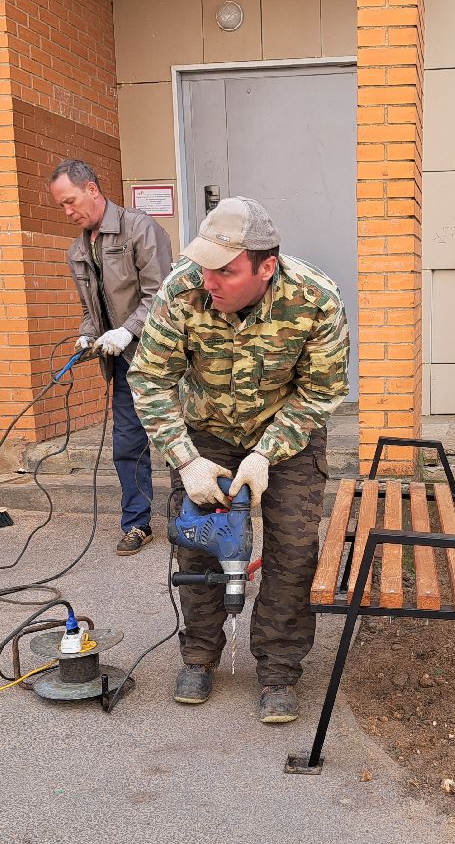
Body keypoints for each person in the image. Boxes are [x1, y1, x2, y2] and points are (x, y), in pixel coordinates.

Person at [128, 197, 350, 724]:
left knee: (293, 553)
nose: (211, 281)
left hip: (287, 437)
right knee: (198, 545)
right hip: (206, 432)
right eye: (206, 267)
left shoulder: (315, 301)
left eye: (226, 271)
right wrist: (185, 460)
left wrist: (268, 453)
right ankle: (200, 656)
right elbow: (149, 379)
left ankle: (277, 669)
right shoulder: (182, 291)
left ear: (265, 267)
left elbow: (321, 392)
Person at [49, 159, 173, 555]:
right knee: (127, 442)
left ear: (92, 189)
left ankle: (189, 521)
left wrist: (127, 330)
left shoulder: (141, 229)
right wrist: (88, 337)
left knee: (175, 438)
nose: (68, 212)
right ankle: (137, 524)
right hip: (121, 362)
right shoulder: (77, 251)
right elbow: (91, 309)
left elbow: (162, 296)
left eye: (70, 202)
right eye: (61, 206)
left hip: (164, 358)